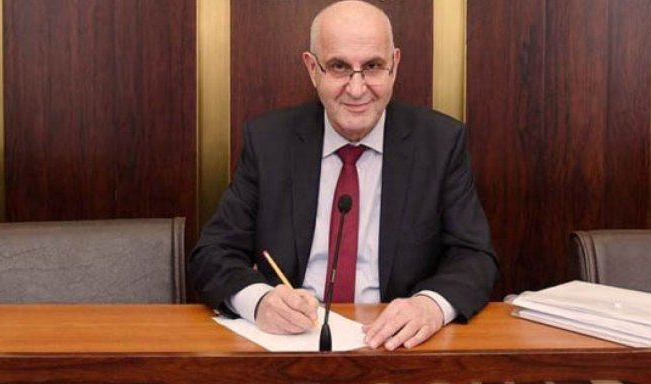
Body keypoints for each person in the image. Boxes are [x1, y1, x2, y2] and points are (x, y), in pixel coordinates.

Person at [188, 0, 497, 351]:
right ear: (313, 69)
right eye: (339, 67)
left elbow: (474, 257)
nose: (356, 88)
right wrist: (259, 301)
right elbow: (213, 253)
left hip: (397, 349)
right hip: (289, 345)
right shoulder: (269, 141)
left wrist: (430, 306)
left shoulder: (440, 143)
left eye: (373, 66)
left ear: (394, 66)